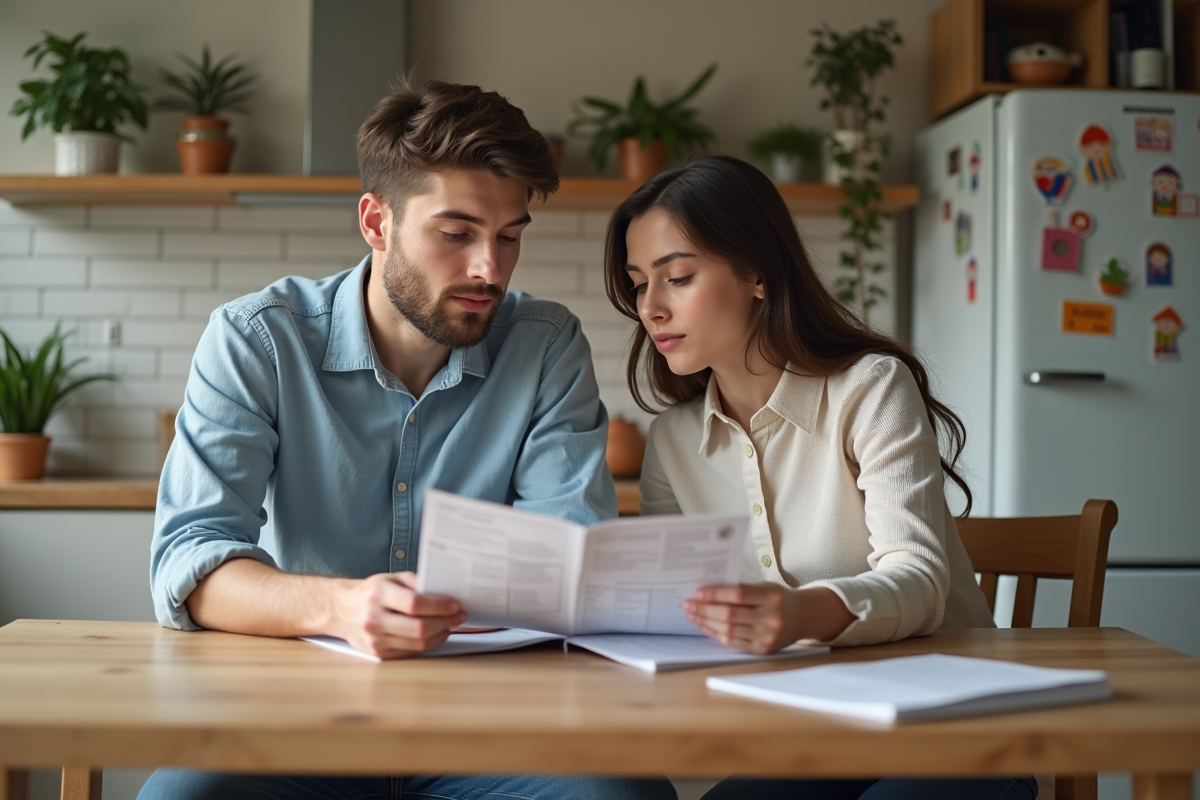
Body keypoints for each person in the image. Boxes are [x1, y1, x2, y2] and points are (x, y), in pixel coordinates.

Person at [144, 77, 676, 800]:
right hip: (298, 715)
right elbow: (191, 560)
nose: (489, 269)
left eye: (510, 236)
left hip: (494, 724)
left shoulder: (546, 345)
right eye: (456, 234)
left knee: (624, 795)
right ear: (376, 222)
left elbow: (567, 558)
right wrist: (341, 608)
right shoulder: (256, 339)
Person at [602, 155, 1035, 800]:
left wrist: (802, 612)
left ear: (757, 274)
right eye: (640, 285)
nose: (651, 308)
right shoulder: (672, 441)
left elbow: (920, 581)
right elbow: (675, 615)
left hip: (955, 725)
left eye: (679, 277)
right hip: (809, 736)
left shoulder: (870, 389)